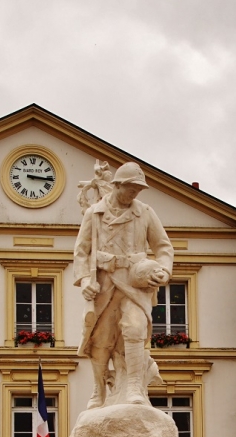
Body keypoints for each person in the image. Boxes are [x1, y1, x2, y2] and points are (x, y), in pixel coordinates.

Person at [74, 161, 173, 407]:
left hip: (135, 281)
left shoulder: (146, 212)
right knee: (101, 339)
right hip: (105, 283)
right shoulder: (94, 213)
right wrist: (85, 279)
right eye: (131, 188)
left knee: (135, 327)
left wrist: (164, 271)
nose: (135, 193)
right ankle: (98, 390)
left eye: (138, 189)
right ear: (117, 185)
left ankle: (133, 389)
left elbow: (163, 247)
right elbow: (81, 252)